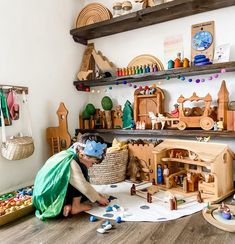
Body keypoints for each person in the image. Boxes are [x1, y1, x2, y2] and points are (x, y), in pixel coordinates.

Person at [33, 133, 109, 220]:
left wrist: (96, 195)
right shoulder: (72, 163)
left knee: (85, 190)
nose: (92, 166)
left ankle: (67, 206)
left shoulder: (69, 153)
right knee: (81, 177)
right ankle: (76, 206)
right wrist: (99, 199)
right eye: (92, 162)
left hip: (43, 196)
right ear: (82, 154)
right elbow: (83, 186)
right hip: (49, 200)